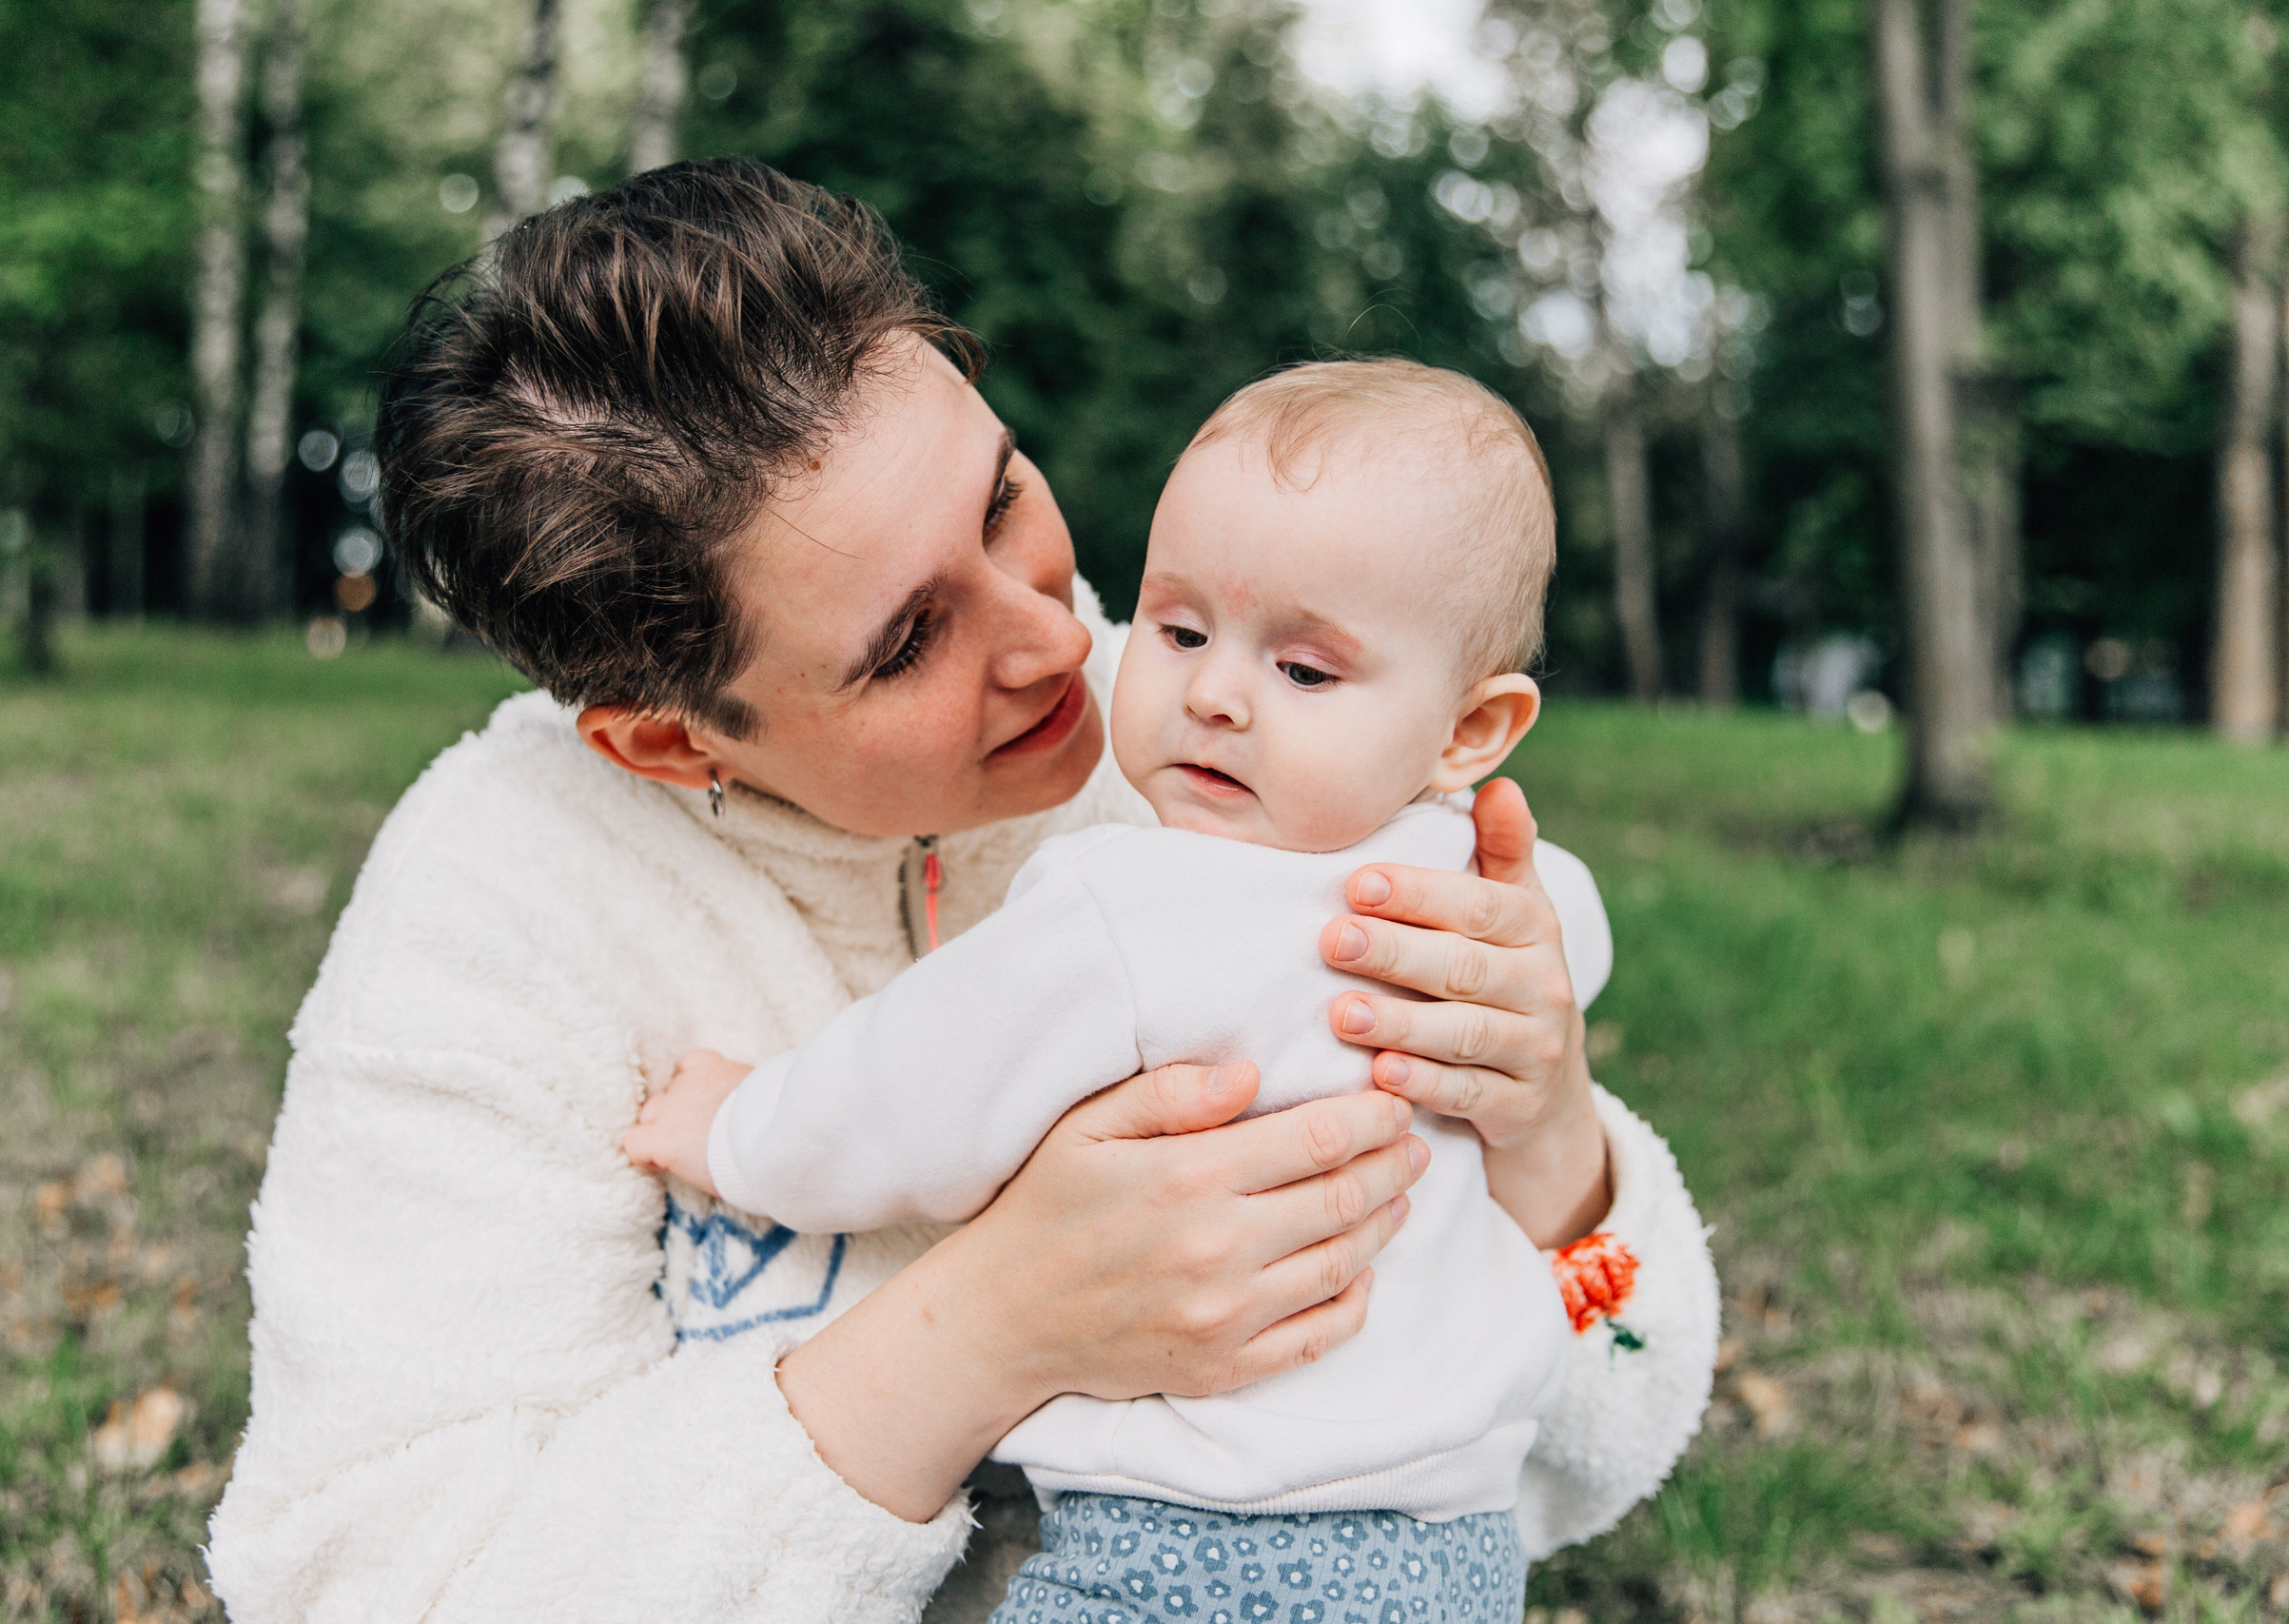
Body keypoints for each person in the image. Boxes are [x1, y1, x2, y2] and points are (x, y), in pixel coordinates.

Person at [205, 160, 1717, 1624]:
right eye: (906, 641)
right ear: (671, 741)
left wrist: (1559, 1150)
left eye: (1003, 502)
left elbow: (1603, 1420)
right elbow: (377, 1585)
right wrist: (985, 1328)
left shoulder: (1231, 774)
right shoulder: (500, 920)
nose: (1061, 643)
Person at [629, 357, 1623, 1624]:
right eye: (1181, 630)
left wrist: (735, 1131)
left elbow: (916, 1090)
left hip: (1192, 1551)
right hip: (1465, 1550)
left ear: (1469, 733)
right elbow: (1567, 946)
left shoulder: (1130, 909)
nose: (1213, 693)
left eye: (1304, 673)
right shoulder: (1490, 895)